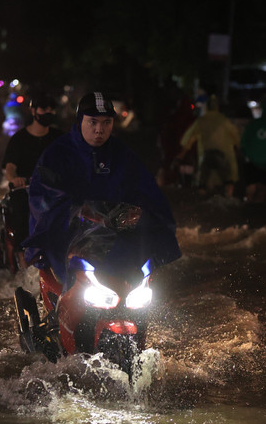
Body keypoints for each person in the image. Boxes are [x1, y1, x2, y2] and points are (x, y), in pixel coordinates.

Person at [22, 91, 181, 284]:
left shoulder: (122, 154)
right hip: (69, 234)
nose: (99, 130)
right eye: (93, 122)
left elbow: (147, 193)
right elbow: (44, 200)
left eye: (107, 122)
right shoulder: (57, 154)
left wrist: (138, 215)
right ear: (80, 120)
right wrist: (82, 212)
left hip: (115, 232)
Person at [0, 94, 62, 268]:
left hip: (54, 190)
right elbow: (10, 167)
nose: (48, 112)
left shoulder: (60, 138)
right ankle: (23, 257)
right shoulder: (19, 139)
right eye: (44, 109)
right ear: (33, 111)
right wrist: (14, 179)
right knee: (21, 210)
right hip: (26, 190)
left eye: (51, 109)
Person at [178, 94, 241, 198]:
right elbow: (237, 139)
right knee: (227, 186)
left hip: (206, 158)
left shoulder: (201, 121)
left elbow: (187, 140)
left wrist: (180, 156)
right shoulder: (224, 121)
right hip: (225, 159)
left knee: (203, 188)